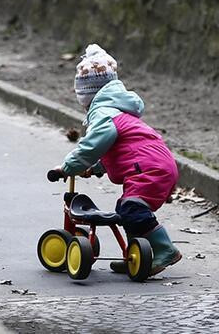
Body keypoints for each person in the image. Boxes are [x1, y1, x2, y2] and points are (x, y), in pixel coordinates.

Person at [52, 43, 182, 275]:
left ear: (87, 94)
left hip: (148, 168)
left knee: (131, 209)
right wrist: (94, 169)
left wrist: (69, 167)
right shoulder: (118, 112)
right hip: (155, 164)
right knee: (128, 207)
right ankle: (135, 255)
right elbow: (121, 151)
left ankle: (165, 250)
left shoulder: (103, 114)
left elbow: (94, 145)